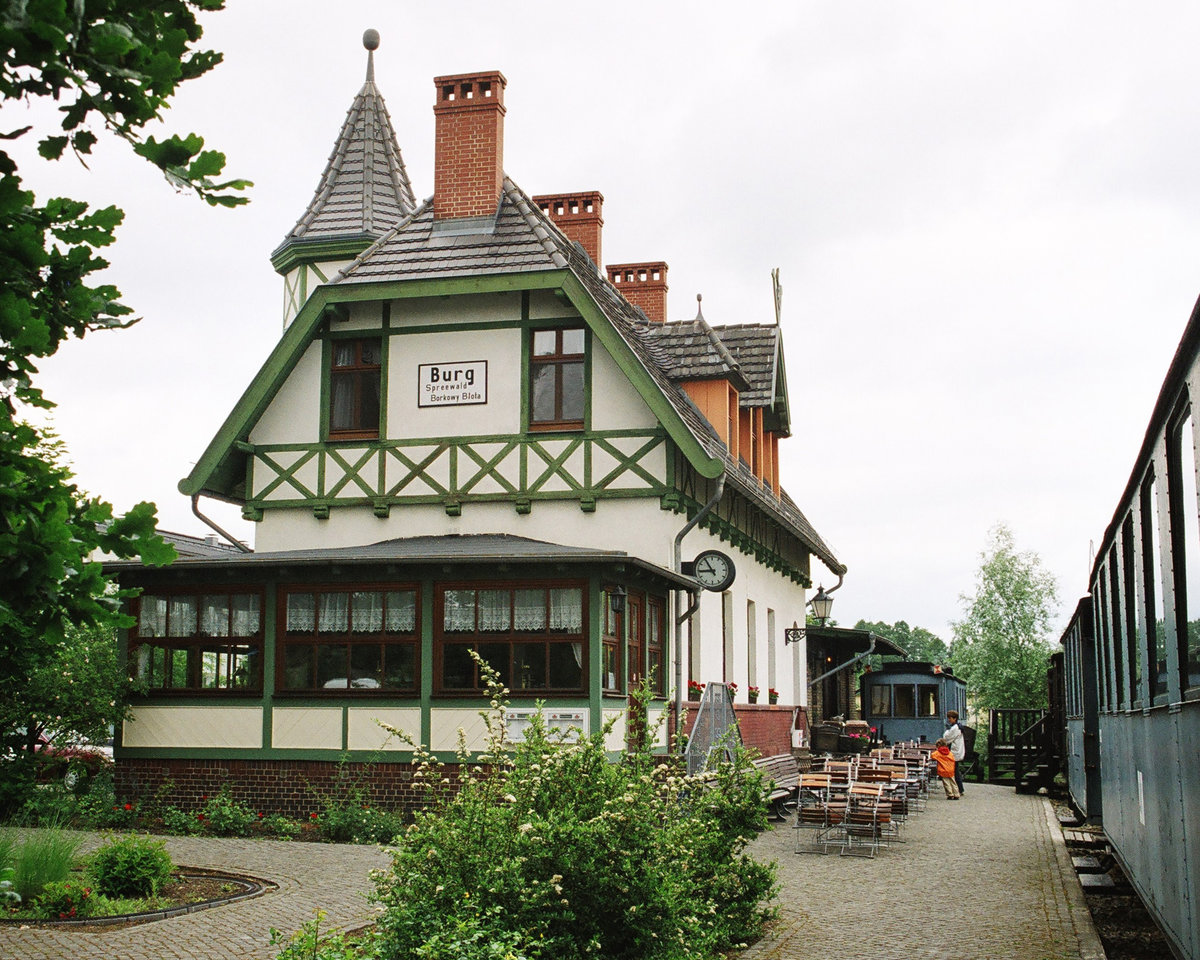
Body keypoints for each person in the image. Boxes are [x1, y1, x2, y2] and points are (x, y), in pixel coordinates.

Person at [943, 709, 966, 796]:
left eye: (950, 718)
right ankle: (959, 788)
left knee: (955, 771)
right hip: (957, 751)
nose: (949, 720)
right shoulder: (958, 727)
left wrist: (946, 732)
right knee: (955, 770)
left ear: (954, 718)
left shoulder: (955, 728)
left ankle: (959, 789)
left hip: (955, 752)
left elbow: (947, 738)